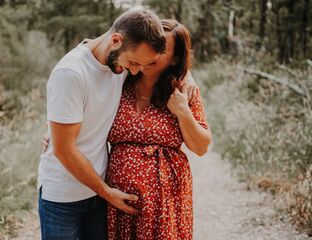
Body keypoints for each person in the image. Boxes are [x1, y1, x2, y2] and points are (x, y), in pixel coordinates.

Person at [37, 9, 166, 240]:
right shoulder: (71, 73)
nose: (136, 71)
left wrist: (186, 84)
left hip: (97, 196)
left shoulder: (120, 63)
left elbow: (171, 52)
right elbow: (64, 150)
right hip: (62, 197)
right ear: (116, 40)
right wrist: (107, 192)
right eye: (134, 63)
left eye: (141, 65)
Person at [105, 19, 212, 239]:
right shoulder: (118, 80)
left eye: (161, 49)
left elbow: (201, 147)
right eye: (151, 44)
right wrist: (58, 134)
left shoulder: (183, 91)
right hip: (117, 199)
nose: (152, 53)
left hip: (165, 202)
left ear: (175, 58)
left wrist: (183, 111)